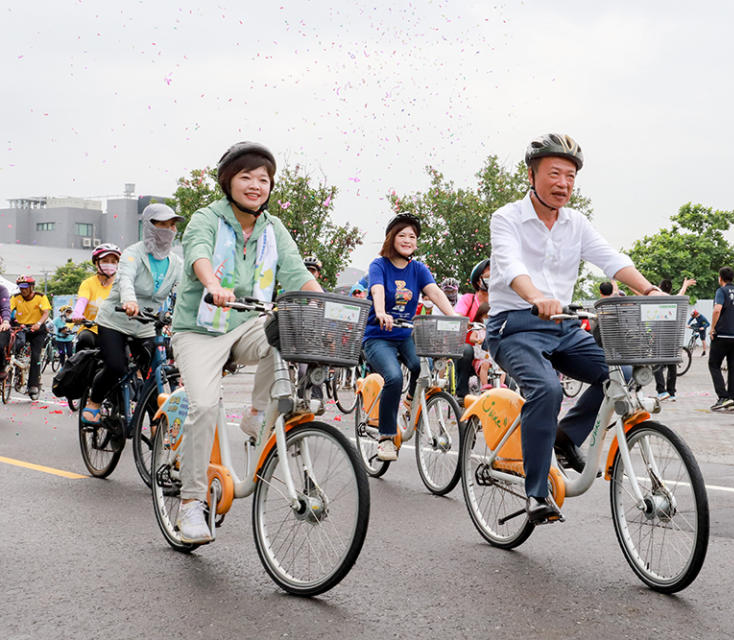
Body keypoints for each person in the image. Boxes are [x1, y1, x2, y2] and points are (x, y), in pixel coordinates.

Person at [486, 133, 664, 522]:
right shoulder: (506, 218)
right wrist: (535, 296)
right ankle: (536, 494)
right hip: (514, 326)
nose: (563, 183)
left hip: (564, 326)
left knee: (622, 371)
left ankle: (566, 435)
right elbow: (511, 265)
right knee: (546, 389)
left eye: (570, 176)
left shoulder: (576, 223)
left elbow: (610, 258)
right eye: (554, 173)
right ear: (532, 175)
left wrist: (648, 289)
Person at [171, 141, 324, 544]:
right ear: (228, 181)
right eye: (246, 177)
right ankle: (190, 504)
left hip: (246, 322)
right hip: (200, 328)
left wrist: (326, 305)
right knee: (203, 406)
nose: (256, 185)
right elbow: (198, 254)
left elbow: (295, 272)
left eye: (264, 179)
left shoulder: (273, 228)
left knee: (283, 330)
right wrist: (212, 284)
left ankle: (257, 413)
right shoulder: (207, 218)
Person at [362, 213, 458, 461]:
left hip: (405, 333)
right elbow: (377, 289)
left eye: (412, 236)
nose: (407, 240)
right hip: (378, 335)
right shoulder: (379, 265)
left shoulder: (418, 269)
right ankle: (385, 438)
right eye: (402, 235)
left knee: (420, 365)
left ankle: (407, 405)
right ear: (392, 238)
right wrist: (381, 311)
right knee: (393, 376)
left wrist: (456, 317)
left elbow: (435, 293)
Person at [81, 204, 185, 425]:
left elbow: (185, 291)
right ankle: (95, 399)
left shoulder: (176, 263)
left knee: (154, 375)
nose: (169, 229)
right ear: (148, 226)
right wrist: (129, 300)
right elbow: (125, 278)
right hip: (116, 319)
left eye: (172, 225)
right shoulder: (132, 254)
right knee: (116, 366)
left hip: (148, 324)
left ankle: (156, 424)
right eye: (162, 224)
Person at [708, 267, 734, 411]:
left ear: (720, 278)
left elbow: (717, 309)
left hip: (723, 335)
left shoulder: (722, 291)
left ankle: (722, 397)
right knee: (733, 368)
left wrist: (712, 328)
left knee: (714, 364)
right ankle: (731, 398)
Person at [71, 243, 121, 352]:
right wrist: (77, 314)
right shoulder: (88, 284)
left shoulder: (123, 284)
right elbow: (82, 301)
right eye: (105, 261)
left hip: (117, 331)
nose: (109, 264)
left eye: (113, 262)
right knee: (85, 339)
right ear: (96, 263)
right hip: (92, 330)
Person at [453, 258, 490, 404]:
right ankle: (462, 394)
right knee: (467, 349)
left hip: (488, 353)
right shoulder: (469, 299)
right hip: (469, 352)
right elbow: (458, 316)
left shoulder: (498, 302)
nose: (491, 280)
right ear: (478, 280)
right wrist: (466, 323)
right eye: (487, 277)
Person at [10, 275, 52, 400]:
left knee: (35, 356)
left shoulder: (40, 297)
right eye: (21, 287)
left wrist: (38, 323)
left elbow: (45, 312)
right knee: (14, 348)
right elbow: (8, 308)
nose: (23, 290)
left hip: (37, 330)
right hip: (22, 328)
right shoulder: (16, 298)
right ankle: (15, 374)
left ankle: (33, 385)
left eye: (25, 287)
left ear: (31, 287)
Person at [653, 277, 695, 401]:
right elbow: (681, 294)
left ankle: (661, 391)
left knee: (657, 364)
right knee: (672, 364)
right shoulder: (674, 301)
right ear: (670, 289)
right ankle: (671, 393)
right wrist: (685, 285)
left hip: (660, 337)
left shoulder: (656, 302)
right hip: (673, 337)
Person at [469, 302, 493, 389]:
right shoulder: (478, 329)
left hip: (492, 358)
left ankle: (501, 383)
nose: (487, 319)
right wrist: (478, 340)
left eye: (490, 317)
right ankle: (484, 384)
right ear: (480, 317)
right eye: (485, 317)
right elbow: (471, 338)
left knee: (500, 367)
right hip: (481, 359)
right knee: (485, 364)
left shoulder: (493, 330)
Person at [0, 283, 11, 381]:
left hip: (1, 326)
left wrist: (6, 321)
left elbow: (5, 308)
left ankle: (1, 367)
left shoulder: (2, 290)